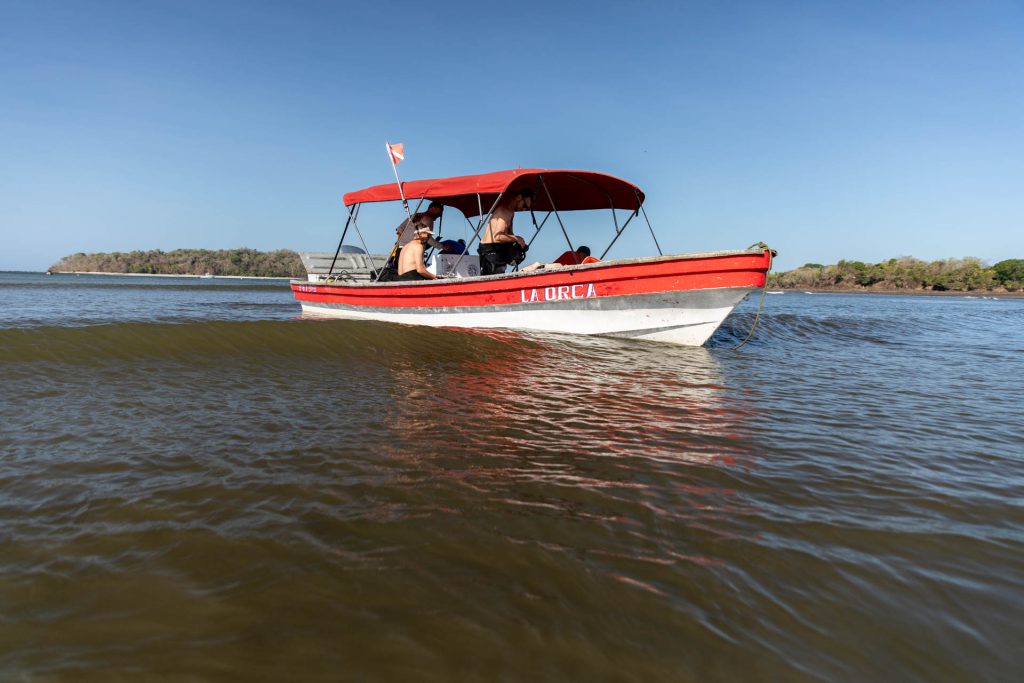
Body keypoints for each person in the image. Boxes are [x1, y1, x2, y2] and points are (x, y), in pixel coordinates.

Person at [478, 188, 532, 275]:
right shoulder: (504, 212)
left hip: (496, 249)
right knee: (493, 280)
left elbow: (508, 235)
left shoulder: (511, 212)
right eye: (524, 205)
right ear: (519, 197)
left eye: (527, 208)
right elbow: (498, 236)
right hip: (490, 250)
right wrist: (517, 238)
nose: (523, 209)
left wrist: (519, 244)